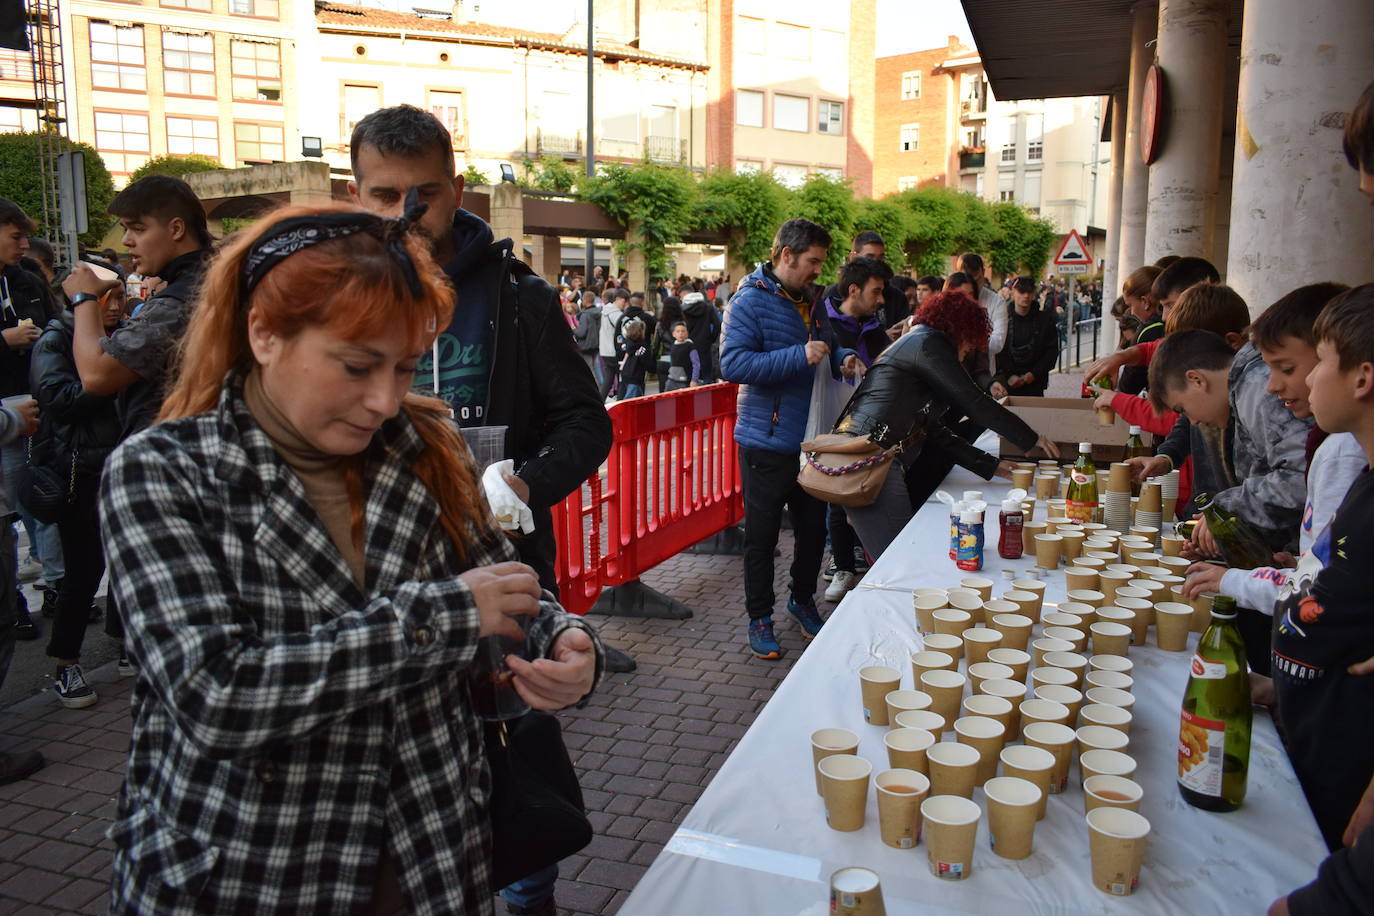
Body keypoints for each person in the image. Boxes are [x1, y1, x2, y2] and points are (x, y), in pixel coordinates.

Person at [99, 202, 603, 913]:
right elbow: (216, 695)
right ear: (264, 332)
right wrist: (446, 614)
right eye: (358, 365)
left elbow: (502, 577)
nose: (384, 399)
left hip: (432, 854)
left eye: (403, 368)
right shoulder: (163, 471)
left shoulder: (421, 444)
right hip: (250, 869)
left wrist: (568, 640)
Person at [346, 106, 613, 914]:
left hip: (499, 566)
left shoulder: (517, 296)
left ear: (455, 188)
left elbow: (587, 422)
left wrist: (522, 483)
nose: (403, 217)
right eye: (383, 197)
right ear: (356, 195)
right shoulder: (336, 292)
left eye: (421, 196)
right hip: (375, 586)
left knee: (516, 769)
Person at [1261, 284, 1374, 852]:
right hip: (1310, 724)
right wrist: (1281, 688)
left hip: (1347, 772)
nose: (1304, 381)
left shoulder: (1349, 463)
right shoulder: (1360, 480)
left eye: (1318, 363)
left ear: (1362, 377)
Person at [834, 289, 1059, 560]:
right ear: (960, 328)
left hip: (872, 455)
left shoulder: (921, 343)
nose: (969, 349)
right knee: (900, 560)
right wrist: (1029, 438)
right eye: (970, 341)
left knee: (896, 553)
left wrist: (990, 465)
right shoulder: (928, 343)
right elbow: (974, 401)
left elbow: (933, 430)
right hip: (871, 458)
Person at [720, 218, 832, 660]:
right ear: (786, 255)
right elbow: (734, 366)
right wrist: (799, 355)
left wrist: (839, 358)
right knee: (762, 539)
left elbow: (829, 343)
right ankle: (759, 618)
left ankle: (801, 601)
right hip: (765, 442)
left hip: (811, 441)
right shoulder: (747, 302)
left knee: (811, 532)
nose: (817, 271)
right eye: (812, 262)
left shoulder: (813, 300)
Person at [32, 280, 127, 709]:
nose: (115, 305)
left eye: (121, 296)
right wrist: (105, 378)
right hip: (78, 471)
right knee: (84, 571)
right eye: (106, 296)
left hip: (123, 465)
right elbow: (57, 400)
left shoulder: (126, 336)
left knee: (130, 563)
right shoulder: (56, 339)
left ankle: (125, 643)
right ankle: (65, 663)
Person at [809, 256, 892, 603]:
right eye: (876, 291)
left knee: (869, 492)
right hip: (834, 425)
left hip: (871, 424)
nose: (882, 299)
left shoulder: (874, 326)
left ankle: (867, 560)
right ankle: (842, 565)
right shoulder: (825, 321)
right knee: (838, 497)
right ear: (854, 290)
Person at [0, 198, 61, 634]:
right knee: (8, 511)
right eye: (14, 236)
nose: (23, 244)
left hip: (39, 408)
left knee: (45, 501)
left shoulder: (28, 281)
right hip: (3, 417)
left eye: (25, 236)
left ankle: (54, 585)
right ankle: (14, 599)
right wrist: (4, 340)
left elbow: (58, 325)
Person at [1082, 256, 1222, 387]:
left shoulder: (1211, 362)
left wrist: (1115, 400)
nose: (1164, 317)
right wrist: (1123, 356)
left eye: (1170, 305)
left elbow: (1170, 409)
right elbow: (1157, 348)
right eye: (1162, 306)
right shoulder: (1196, 343)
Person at [991, 276, 1058, 398]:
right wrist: (1009, 375)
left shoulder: (1045, 320)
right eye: (1021, 292)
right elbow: (997, 350)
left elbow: (1051, 352)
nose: (1026, 296)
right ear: (1012, 293)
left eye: (1029, 292)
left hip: (1035, 383)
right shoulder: (1002, 318)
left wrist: (1034, 373)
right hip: (1007, 384)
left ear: (1033, 294)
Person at [1117, 265, 1164, 395]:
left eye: (1130, 305)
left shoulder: (1148, 330)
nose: (1131, 312)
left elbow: (1129, 386)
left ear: (1145, 301)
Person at [958, 253, 1007, 367]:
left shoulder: (997, 301)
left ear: (983, 272)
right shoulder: (948, 300)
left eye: (978, 279)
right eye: (969, 281)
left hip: (985, 373)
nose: (974, 286)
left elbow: (997, 343)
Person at [597, 287, 628, 399]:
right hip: (613, 351)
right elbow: (626, 329)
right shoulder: (615, 313)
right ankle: (620, 401)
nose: (625, 305)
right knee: (622, 377)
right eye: (624, 301)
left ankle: (601, 402)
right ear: (618, 299)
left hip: (605, 350)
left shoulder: (605, 310)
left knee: (609, 379)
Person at [617, 318, 650, 399]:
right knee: (632, 400)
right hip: (636, 376)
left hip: (624, 375)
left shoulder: (625, 344)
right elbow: (645, 361)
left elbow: (619, 354)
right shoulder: (643, 346)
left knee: (624, 398)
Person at [663, 321, 701, 391]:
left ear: (687, 333)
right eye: (678, 331)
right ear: (673, 334)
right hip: (671, 380)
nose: (680, 333)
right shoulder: (673, 346)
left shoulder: (690, 346)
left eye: (683, 331)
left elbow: (696, 364)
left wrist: (694, 380)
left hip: (684, 381)